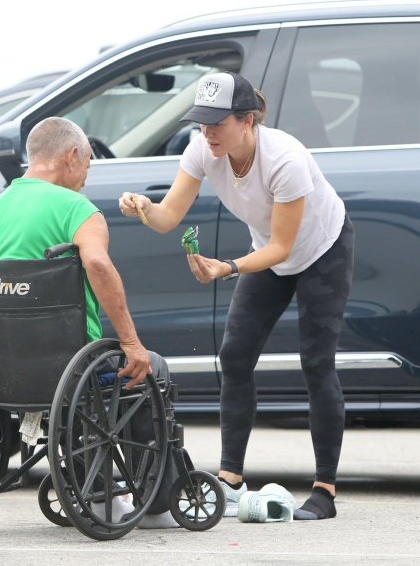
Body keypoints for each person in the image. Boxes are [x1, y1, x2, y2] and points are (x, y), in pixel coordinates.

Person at [119, 72, 354, 521]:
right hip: (267, 251)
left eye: (217, 123)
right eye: (201, 122)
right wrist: (142, 208)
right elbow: (168, 216)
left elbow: (283, 248)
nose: (207, 132)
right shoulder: (203, 149)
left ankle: (324, 489)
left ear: (247, 120)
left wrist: (227, 267)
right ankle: (230, 477)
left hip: (323, 249)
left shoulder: (285, 158)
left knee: (316, 361)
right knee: (234, 355)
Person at [0, 116, 178, 528]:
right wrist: (130, 343)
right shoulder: (77, 209)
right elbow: (97, 263)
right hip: (71, 367)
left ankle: (90, 484)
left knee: (93, 371)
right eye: (89, 165)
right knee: (151, 367)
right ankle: (155, 505)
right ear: (72, 155)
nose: (85, 177)